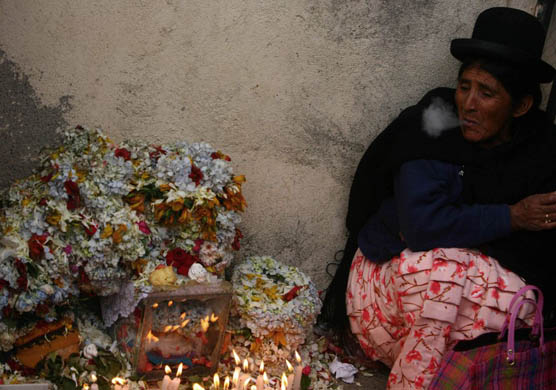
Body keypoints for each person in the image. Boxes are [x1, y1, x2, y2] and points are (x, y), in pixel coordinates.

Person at [319, 7, 556, 390]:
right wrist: (512, 217)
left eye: (487, 93)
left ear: (522, 106)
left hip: (465, 303)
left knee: (515, 296)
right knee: (445, 270)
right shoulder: (434, 124)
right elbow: (422, 226)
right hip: (387, 293)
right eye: (465, 87)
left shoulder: (540, 148)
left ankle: (468, 371)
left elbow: (541, 252)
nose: (469, 104)